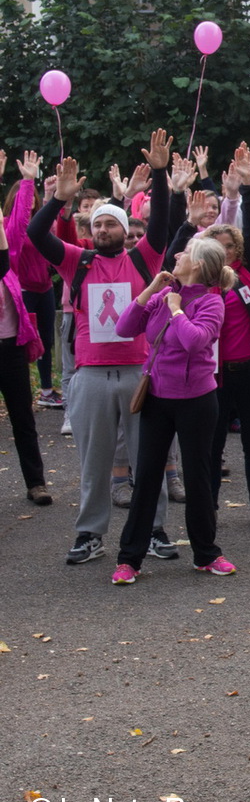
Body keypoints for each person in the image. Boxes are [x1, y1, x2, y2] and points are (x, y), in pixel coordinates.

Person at [28, 133, 176, 565]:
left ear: (124, 230)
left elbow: (162, 221)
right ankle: (90, 534)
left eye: (111, 224)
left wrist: (161, 173)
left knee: (149, 459)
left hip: (138, 374)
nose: (104, 230)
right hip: (90, 376)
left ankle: (154, 530)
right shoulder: (76, 260)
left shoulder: (143, 259)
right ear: (90, 231)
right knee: (93, 462)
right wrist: (58, 198)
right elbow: (35, 233)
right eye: (97, 225)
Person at [168, 144, 250, 529]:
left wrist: (248, 188)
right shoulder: (197, 286)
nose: (225, 251)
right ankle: (211, 508)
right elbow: (170, 258)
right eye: (216, 246)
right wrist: (187, 221)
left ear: (238, 249)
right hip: (213, 376)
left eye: (230, 245)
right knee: (212, 444)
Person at [110, 237, 237, 584]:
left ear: (198, 265)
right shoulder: (163, 294)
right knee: (147, 476)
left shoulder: (212, 302)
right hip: (157, 397)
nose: (177, 255)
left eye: (185, 252)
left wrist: (177, 309)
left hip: (197, 400)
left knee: (197, 477)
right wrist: (151, 290)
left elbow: (195, 341)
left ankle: (206, 554)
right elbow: (124, 328)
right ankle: (129, 559)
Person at [0, 150, 52, 505]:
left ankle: (36, 484)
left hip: (11, 349)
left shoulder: (8, 263)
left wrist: (28, 183)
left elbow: (17, 226)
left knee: (23, 419)